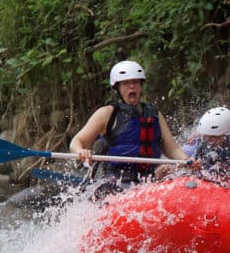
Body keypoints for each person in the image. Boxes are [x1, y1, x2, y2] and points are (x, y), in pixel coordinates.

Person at [69, 60, 185, 191]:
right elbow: (76, 141)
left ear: (141, 85)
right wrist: (81, 151)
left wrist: (187, 160)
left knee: (171, 174)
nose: (132, 87)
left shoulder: (155, 114)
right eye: (126, 83)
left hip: (150, 178)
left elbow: (172, 148)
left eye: (135, 82)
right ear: (117, 88)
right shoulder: (107, 113)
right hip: (117, 180)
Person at [164, 106, 230, 186]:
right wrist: (170, 168)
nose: (210, 140)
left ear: (228, 134)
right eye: (207, 136)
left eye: (215, 137)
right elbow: (177, 167)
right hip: (204, 188)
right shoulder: (194, 146)